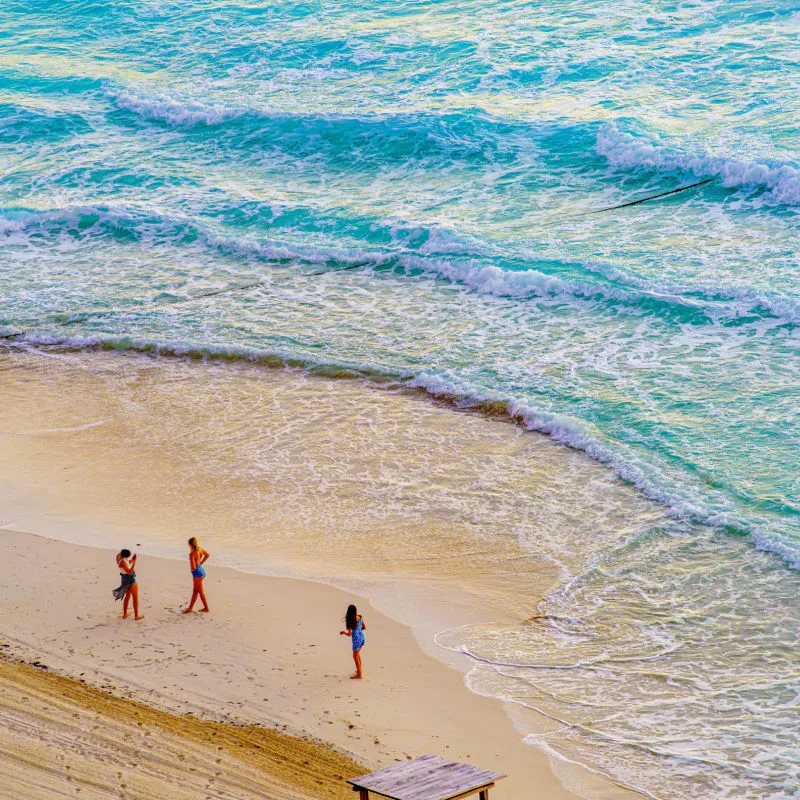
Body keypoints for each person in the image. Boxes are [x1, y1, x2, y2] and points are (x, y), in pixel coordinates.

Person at [182, 536, 210, 613]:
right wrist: (200, 562)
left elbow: (193, 568)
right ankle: (190, 608)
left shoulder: (192, 554)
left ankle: (206, 608)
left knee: (201, 592)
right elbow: (207, 555)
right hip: (201, 571)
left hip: (197, 574)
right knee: (195, 591)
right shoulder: (200, 549)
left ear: (190, 544)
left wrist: (192, 569)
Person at [113, 549, 143, 620]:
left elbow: (127, 563)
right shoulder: (123, 562)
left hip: (124, 579)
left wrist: (132, 559)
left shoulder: (119, 558)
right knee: (135, 598)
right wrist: (135, 562)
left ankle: (125, 614)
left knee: (128, 596)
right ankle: (136, 616)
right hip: (130, 579)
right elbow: (129, 571)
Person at [339, 604, 366, 679]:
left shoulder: (351, 621)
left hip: (356, 640)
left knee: (355, 656)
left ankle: (360, 675)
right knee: (357, 655)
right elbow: (364, 627)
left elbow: (349, 634)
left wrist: (343, 633)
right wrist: (358, 631)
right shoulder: (360, 617)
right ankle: (359, 670)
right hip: (362, 637)